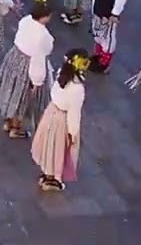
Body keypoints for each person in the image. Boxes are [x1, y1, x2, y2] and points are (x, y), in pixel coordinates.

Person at [32, 48, 89, 192]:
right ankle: (51, 179)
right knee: (57, 148)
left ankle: (46, 174)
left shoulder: (60, 74)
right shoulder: (77, 88)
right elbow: (74, 113)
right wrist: (73, 132)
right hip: (62, 119)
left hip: (51, 111)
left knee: (48, 144)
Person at [0, 0, 54, 139]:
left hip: (15, 57)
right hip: (28, 65)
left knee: (10, 90)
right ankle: (16, 128)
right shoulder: (43, 36)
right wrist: (37, 82)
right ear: (45, 17)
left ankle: (7, 122)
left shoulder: (26, 20)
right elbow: (39, 58)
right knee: (22, 98)